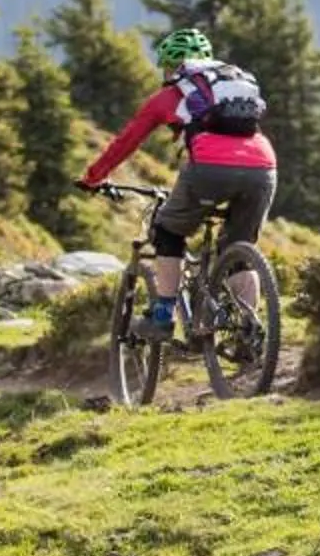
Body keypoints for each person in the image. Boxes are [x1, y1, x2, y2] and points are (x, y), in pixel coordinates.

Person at [77, 28, 275, 342]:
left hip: (209, 168)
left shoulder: (168, 96)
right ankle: (247, 331)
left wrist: (93, 177)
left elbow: (127, 142)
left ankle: (162, 317)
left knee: (168, 232)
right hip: (263, 167)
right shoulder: (232, 88)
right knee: (239, 248)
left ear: (171, 66)